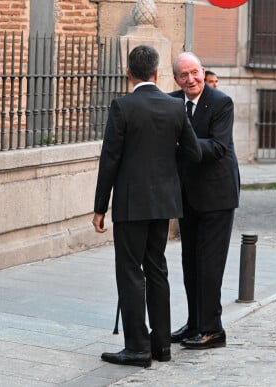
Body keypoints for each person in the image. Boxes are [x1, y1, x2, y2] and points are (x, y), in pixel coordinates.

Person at [93, 45, 201, 367]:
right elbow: (193, 153)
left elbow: (109, 160)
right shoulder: (174, 107)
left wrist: (100, 206)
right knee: (157, 270)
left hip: (130, 204)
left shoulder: (122, 107)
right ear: (157, 73)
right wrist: (168, 172)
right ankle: (162, 345)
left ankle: (137, 347)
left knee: (129, 273)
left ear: (129, 73)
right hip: (164, 203)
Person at [169, 52, 240, 350]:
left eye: (195, 72)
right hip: (187, 196)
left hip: (217, 195)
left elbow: (218, 147)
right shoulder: (171, 101)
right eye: (183, 75)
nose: (191, 79)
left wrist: (180, 144)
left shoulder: (221, 103)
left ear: (203, 71)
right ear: (176, 79)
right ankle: (195, 322)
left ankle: (213, 330)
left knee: (210, 265)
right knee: (190, 263)